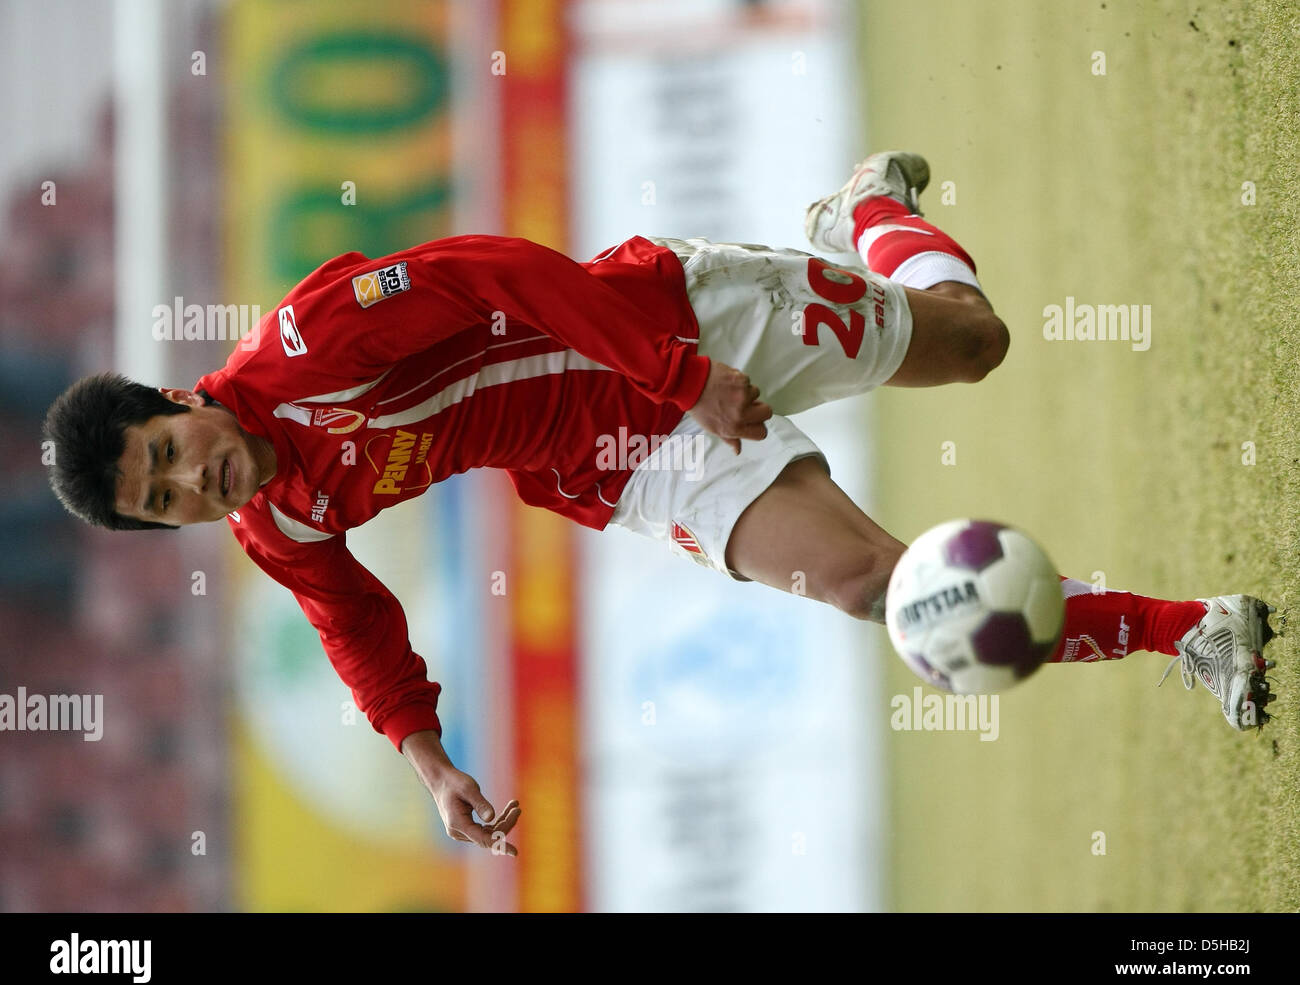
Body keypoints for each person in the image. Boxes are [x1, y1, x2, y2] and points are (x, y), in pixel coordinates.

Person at [42, 152, 1279, 858]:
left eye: (169, 450)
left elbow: (506, 275)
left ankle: (866, 217)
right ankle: (1197, 629)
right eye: (165, 502)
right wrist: (425, 760)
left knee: (976, 343)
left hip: (667, 326)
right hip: (625, 459)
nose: (190, 483)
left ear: (177, 398)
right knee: (876, 592)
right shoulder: (279, 526)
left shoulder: (306, 345)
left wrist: (680, 372)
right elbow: (354, 625)